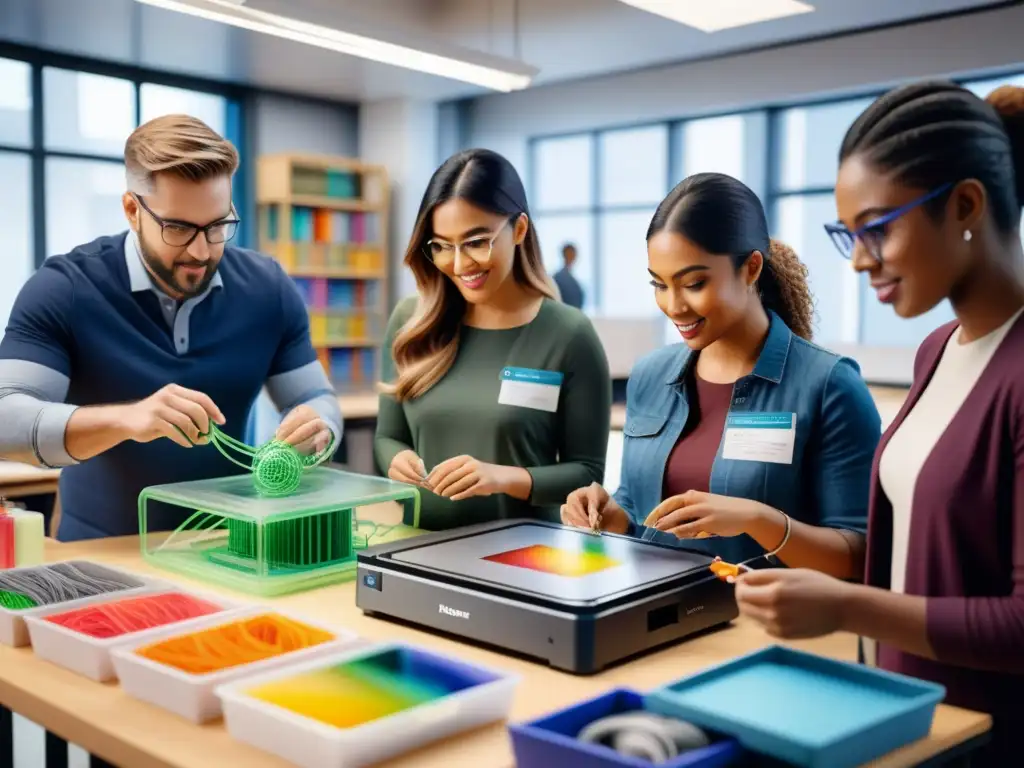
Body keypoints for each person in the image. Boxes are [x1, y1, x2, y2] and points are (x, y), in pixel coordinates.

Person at [733, 81, 1024, 761]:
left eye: (878, 229)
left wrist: (844, 607)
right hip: (901, 720)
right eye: (849, 235)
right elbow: (917, 556)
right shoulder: (938, 350)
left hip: (984, 739)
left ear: (965, 206)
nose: (860, 260)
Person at [0, 115, 342, 541]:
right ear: (132, 210)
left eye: (218, 226)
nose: (201, 250)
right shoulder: (64, 288)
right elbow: (4, 419)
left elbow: (314, 397)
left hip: (229, 549)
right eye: (178, 228)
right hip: (103, 554)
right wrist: (129, 419)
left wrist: (318, 425)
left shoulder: (268, 288)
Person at [561, 172, 881, 578]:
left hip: (766, 624)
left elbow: (861, 555)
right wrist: (612, 516)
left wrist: (759, 520)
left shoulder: (830, 385)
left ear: (750, 269)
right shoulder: (649, 375)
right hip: (651, 617)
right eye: (659, 285)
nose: (673, 306)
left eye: (694, 283)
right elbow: (637, 506)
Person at [375, 148, 611, 530]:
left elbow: (587, 473)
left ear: (519, 229)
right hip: (415, 547)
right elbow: (387, 436)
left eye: (475, 241)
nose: (459, 264)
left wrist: (503, 477)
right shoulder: (410, 320)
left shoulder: (569, 334)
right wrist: (395, 458)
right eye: (442, 245)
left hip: (523, 558)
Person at [553, 243, 585, 309]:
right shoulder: (558, 278)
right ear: (564, 255)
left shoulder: (572, 280)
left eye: (573, 255)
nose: (571, 257)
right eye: (569, 254)